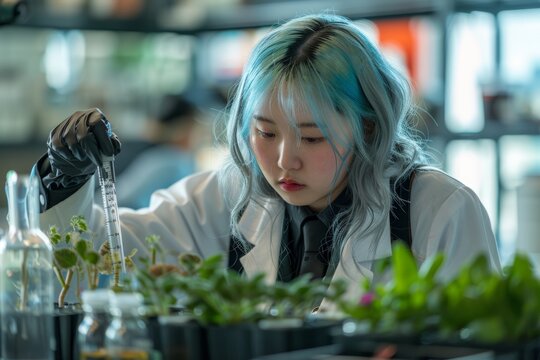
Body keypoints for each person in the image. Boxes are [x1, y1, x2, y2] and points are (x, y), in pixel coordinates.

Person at [32, 13, 501, 310]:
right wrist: (65, 180)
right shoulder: (226, 198)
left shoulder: (438, 211)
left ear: (370, 128)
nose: (283, 161)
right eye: (265, 132)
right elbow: (97, 264)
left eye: (312, 138)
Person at [114, 94, 203, 209]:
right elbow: (120, 196)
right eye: (194, 127)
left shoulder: (176, 160)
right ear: (183, 130)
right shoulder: (168, 161)